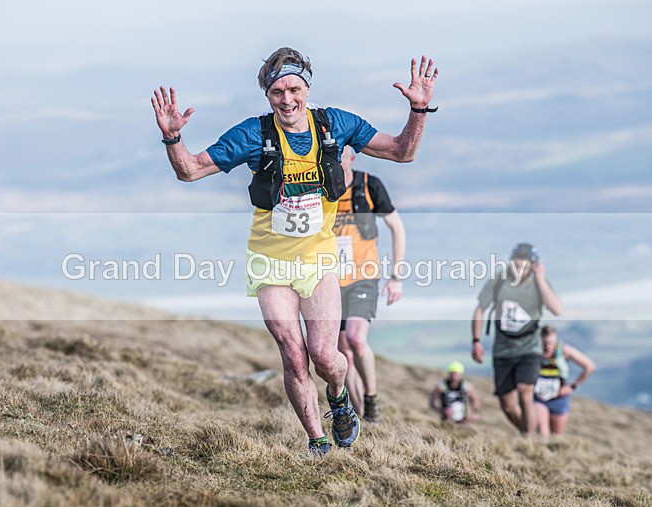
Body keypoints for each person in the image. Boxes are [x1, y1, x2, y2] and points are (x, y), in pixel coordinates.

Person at [151, 47, 439, 454]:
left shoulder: (336, 125)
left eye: (294, 89)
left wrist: (419, 110)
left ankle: (339, 397)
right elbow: (190, 169)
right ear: (267, 95)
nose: (286, 100)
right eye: (277, 92)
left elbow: (401, 152)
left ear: (307, 88)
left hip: (318, 260)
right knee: (292, 352)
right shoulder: (253, 135)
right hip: (270, 262)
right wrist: (172, 137)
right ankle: (317, 440)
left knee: (324, 355)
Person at [334, 146, 406, 423]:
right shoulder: (321, 189)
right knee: (343, 350)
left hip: (364, 277)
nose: (336, 161)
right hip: (330, 280)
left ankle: (372, 397)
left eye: (340, 156)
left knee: (355, 338)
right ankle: (362, 416)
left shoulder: (369, 185)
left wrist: (396, 277)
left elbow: (397, 227)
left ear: (351, 158)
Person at [470, 243, 562, 436]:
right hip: (503, 349)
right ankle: (529, 433)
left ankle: (529, 442)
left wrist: (541, 279)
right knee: (508, 406)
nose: (519, 265)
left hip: (530, 347)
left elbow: (557, 309)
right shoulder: (499, 279)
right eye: (516, 261)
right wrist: (476, 340)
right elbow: (480, 309)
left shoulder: (540, 282)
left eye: (524, 262)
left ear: (533, 264)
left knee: (525, 391)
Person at [533, 325, 596, 437]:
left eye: (551, 343)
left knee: (556, 437)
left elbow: (589, 366)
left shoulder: (564, 351)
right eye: (545, 343)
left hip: (559, 399)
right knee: (543, 434)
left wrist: (573, 386)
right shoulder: (534, 351)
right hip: (539, 398)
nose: (548, 346)